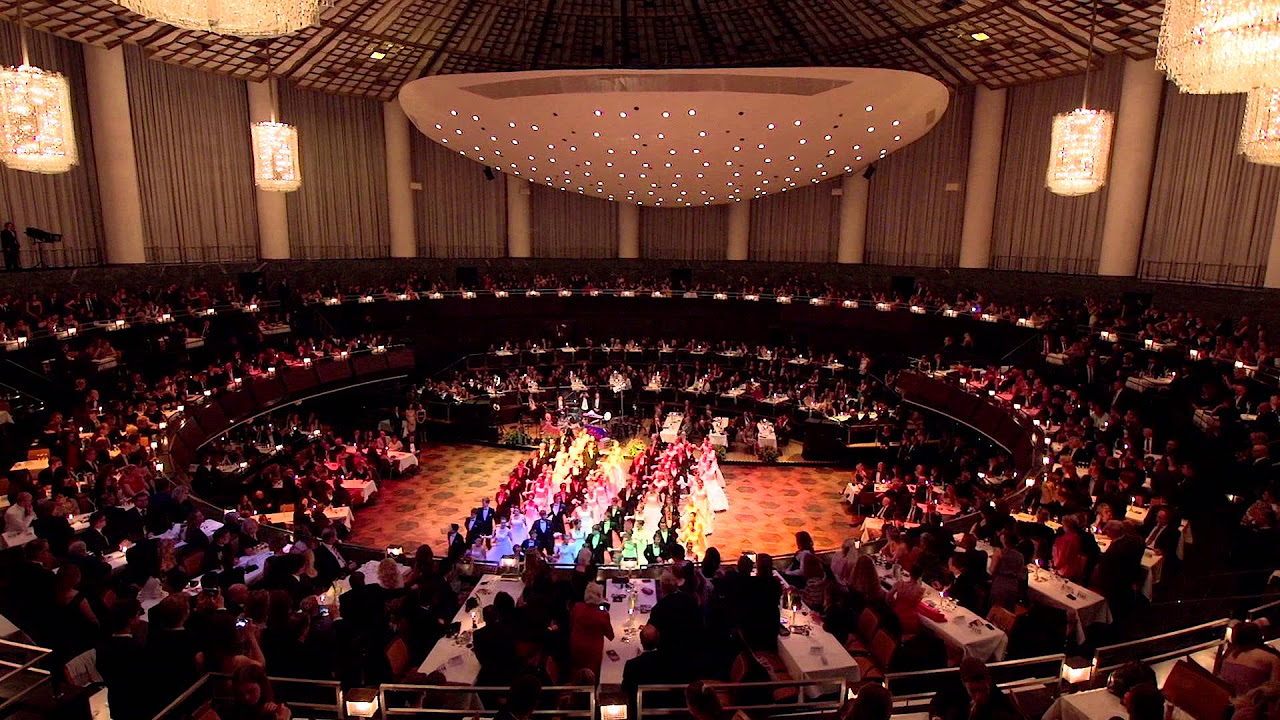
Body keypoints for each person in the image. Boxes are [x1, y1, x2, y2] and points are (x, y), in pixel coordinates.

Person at [927, 657, 1020, 720]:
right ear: (964, 684)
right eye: (973, 691)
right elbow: (935, 706)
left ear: (989, 682)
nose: (978, 696)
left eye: (982, 690)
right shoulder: (952, 687)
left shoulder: (997, 697)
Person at [1220, 622, 1280, 696]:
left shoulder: (1227, 655)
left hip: (1226, 701)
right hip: (1252, 704)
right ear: (1259, 635)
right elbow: (1275, 690)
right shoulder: (1272, 658)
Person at [569, 582, 616, 675]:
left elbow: (571, 624)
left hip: (576, 646)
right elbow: (611, 636)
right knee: (591, 675)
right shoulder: (602, 615)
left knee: (577, 671)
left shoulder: (577, 607)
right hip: (592, 651)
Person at [622, 625, 668, 707]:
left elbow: (625, 689)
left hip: (640, 707)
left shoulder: (632, 665)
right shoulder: (669, 663)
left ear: (641, 641)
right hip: (664, 703)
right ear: (658, 640)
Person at [227, 664, 292, 720]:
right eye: (240, 694)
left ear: (262, 686)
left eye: (251, 691)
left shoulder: (278, 703)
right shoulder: (237, 711)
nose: (246, 697)